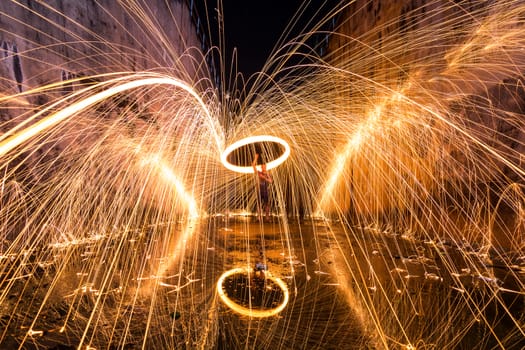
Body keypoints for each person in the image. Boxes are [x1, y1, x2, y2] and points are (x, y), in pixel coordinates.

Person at [252, 153, 272, 222]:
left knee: (267, 205)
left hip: (265, 191)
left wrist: (266, 178)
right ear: (261, 167)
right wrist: (255, 158)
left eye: (265, 166)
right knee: (259, 205)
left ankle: (267, 217)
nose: (264, 168)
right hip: (259, 190)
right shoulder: (259, 173)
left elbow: (270, 181)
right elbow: (253, 165)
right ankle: (259, 217)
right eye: (263, 167)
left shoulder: (267, 174)